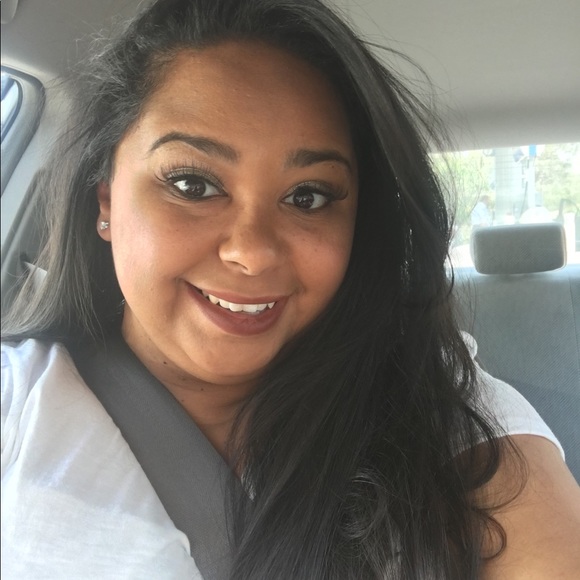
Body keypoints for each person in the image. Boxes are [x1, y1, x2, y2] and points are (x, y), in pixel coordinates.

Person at [2, 1, 579, 578]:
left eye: (308, 197)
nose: (252, 252)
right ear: (106, 201)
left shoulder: (437, 405)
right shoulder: (18, 403)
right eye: (192, 184)